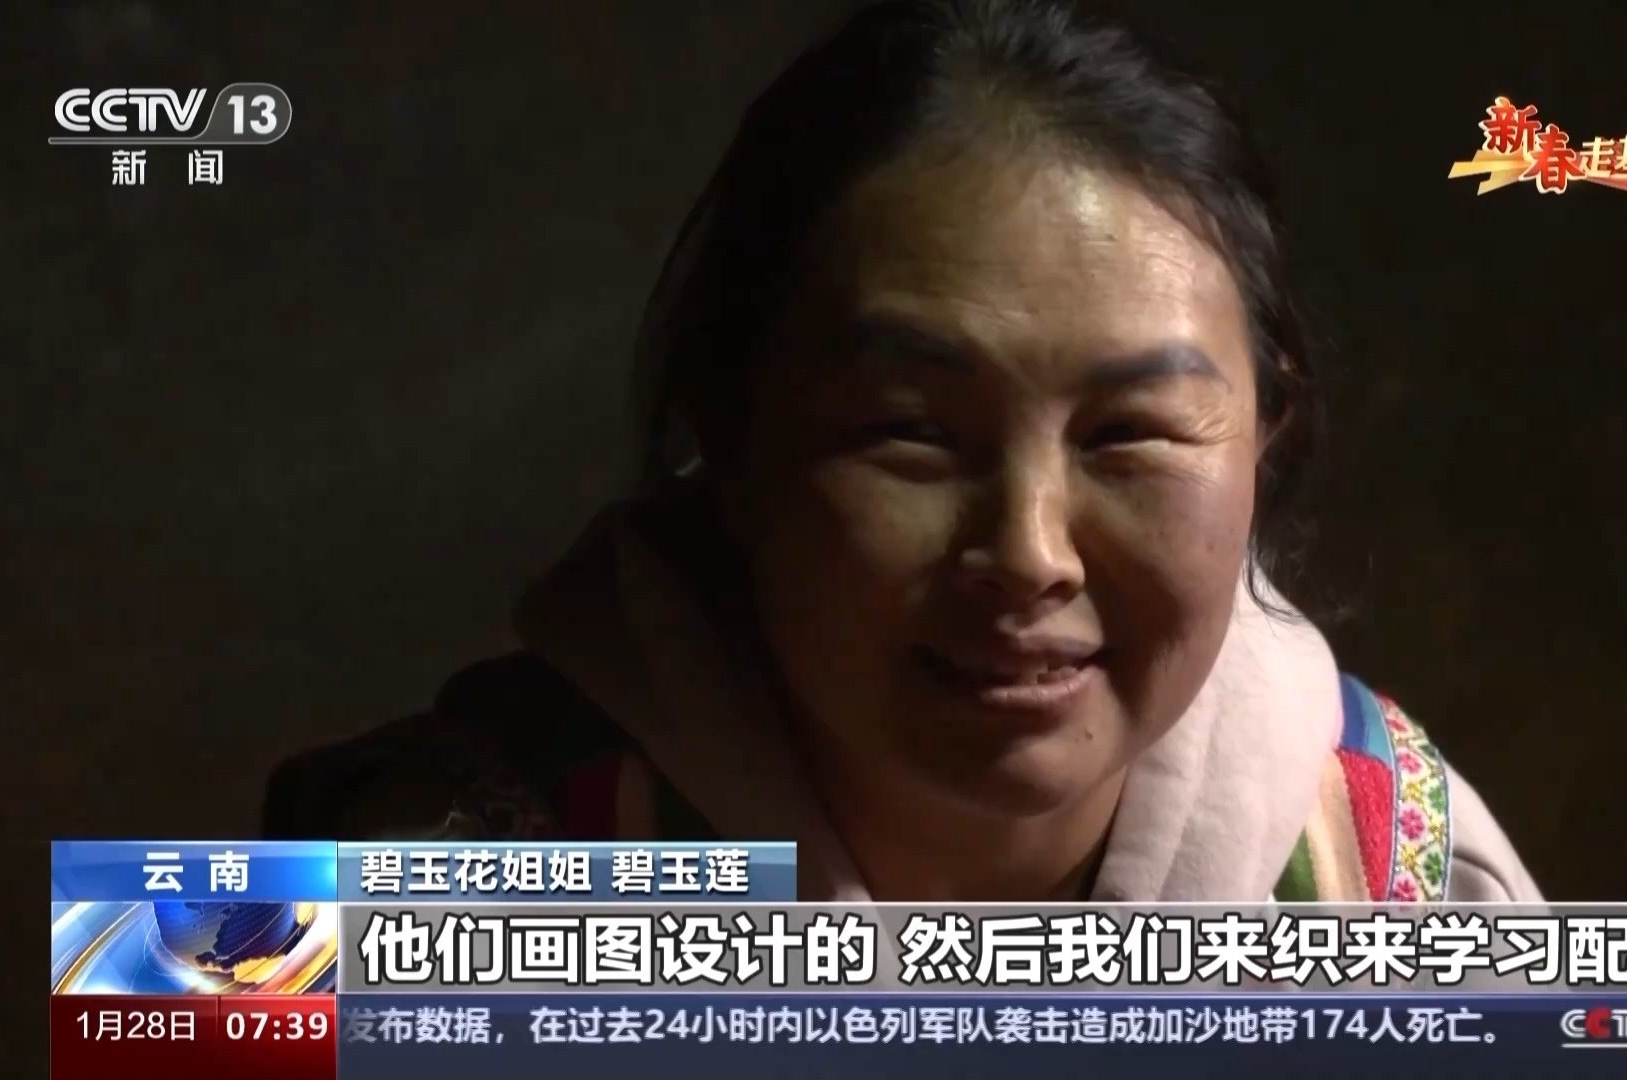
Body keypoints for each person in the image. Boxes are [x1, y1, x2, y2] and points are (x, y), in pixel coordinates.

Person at [263, 0, 1540, 904]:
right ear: (730, 437)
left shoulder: (1396, 875)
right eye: (912, 433)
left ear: (1267, 432)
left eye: (1130, 433)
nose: (1029, 555)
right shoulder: (425, 880)